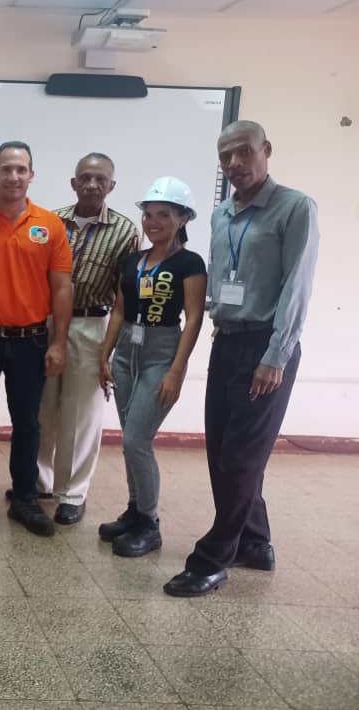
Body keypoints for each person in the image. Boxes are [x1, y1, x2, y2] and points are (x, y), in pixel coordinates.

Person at [165, 121, 319, 597]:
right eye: (225, 156)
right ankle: (255, 541)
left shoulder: (295, 208)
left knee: (241, 456)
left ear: (265, 150)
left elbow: (297, 285)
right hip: (228, 341)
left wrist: (277, 354)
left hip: (267, 345)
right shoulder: (219, 216)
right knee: (224, 451)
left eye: (243, 153)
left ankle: (214, 557)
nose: (234, 164)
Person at [0, 141, 72, 538]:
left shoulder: (50, 226)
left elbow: (61, 289)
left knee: (28, 424)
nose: (14, 176)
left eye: (21, 169)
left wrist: (59, 343)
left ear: (31, 175)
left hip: (31, 340)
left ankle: (25, 497)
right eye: (6, 168)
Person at [98, 176, 206, 557]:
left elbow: (193, 318)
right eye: (148, 214)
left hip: (162, 352)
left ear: (183, 219)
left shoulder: (190, 263)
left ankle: (150, 523)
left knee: (136, 441)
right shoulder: (133, 260)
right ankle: (133, 510)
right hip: (127, 351)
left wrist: (176, 371)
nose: (153, 221)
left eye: (164, 214)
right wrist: (104, 355)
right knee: (131, 441)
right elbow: (120, 310)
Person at [36, 153, 137, 525]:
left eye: (101, 179)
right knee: (42, 406)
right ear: (73, 183)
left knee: (82, 413)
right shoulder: (48, 222)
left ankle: (72, 493)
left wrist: (110, 351)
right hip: (45, 323)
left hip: (91, 324)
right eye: (85, 178)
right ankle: (39, 481)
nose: (92, 185)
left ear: (112, 185)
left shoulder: (126, 231)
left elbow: (124, 296)